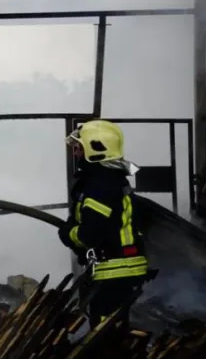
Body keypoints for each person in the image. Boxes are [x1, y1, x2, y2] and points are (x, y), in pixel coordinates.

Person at [60, 119, 148, 328]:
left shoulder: (101, 185)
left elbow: (90, 235)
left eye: (80, 148)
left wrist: (67, 233)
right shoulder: (106, 179)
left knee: (106, 336)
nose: (75, 153)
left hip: (115, 271)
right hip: (118, 269)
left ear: (95, 149)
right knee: (112, 332)